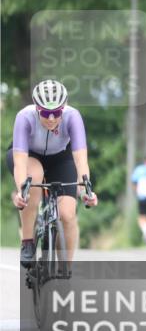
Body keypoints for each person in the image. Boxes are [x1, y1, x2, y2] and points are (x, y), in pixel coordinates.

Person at [8, 80, 99, 267]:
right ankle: (27, 242)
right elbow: (20, 162)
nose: (51, 118)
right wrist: (20, 191)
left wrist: (86, 192)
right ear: (36, 108)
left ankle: (66, 268)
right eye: (46, 113)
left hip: (61, 157)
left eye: (56, 113)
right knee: (34, 177)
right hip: (29, 156)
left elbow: (81, 159)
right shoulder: (24, 117)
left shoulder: (73, 117)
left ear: (63, 108)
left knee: (67, 214)